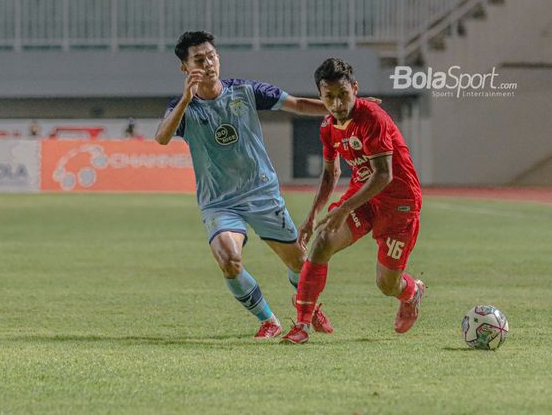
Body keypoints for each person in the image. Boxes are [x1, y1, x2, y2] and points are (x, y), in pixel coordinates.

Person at [154, 31, 336, 340]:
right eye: (199, 60)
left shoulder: (246, 91)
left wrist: (343, 107)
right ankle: (268, 319)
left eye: (212, 56)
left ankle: (307, 304)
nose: (209, 63)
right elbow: (161, 137)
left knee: (299, 262)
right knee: (229, 258)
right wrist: (186, 99)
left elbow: (298, 104)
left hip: (261, 194)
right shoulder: (183, 108)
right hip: (220, 202)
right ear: (185, 68)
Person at [281, 58, 424, 344]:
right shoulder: (328, 127)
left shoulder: (373, 118)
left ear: (355, 89)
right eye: (329, 97)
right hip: (363, 199)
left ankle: (412, 293)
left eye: (343, 94)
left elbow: (383, 175)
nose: (337, 103)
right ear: (320, 97)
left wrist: (344, 208)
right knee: (322, 240)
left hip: (399, 202)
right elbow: (330, 173)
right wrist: (312, 217)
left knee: (387, 284)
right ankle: (302, 326)